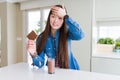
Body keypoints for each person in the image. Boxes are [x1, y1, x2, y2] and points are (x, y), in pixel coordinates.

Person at [26, 4, 84, 70]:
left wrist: (66, 16)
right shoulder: (42, 37)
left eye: (60, 18)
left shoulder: (67, 33)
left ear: (64, 20)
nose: (55, 21)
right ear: (49, 18)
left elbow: (80, 35)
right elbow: (40, 64)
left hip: (71, 71)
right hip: (52, 72)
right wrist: (33, 54)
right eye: (53, 16)